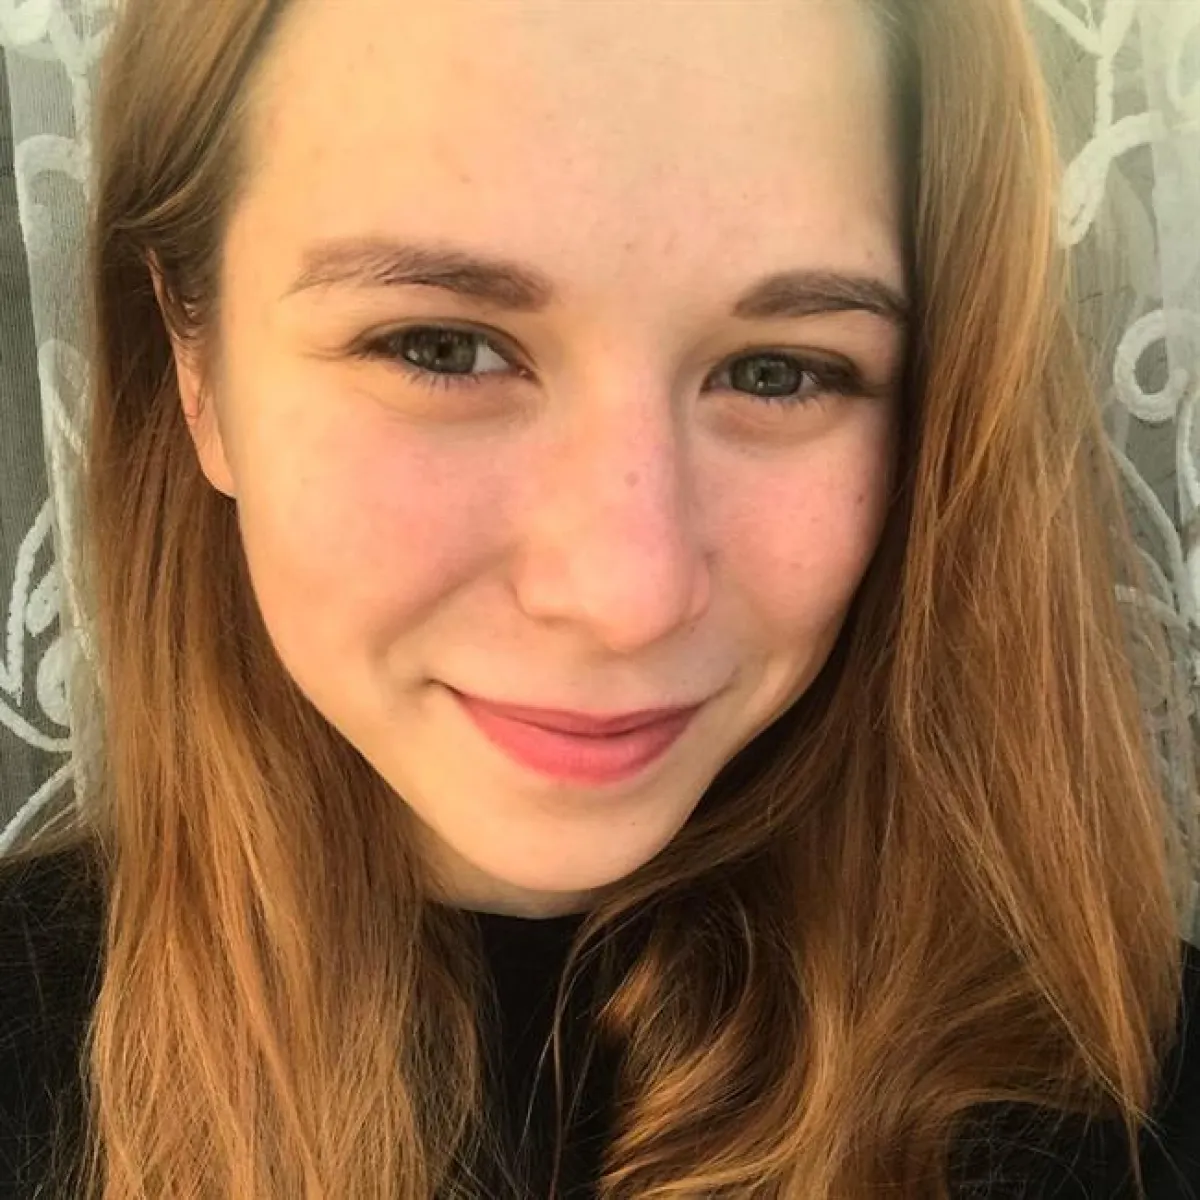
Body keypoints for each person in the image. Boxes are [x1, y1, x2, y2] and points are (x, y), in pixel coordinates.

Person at [0, 0, 1196, 1196]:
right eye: (440, 347)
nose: (630, 595)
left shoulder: (1130, 1105)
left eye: (778, 371)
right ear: (196, 370)